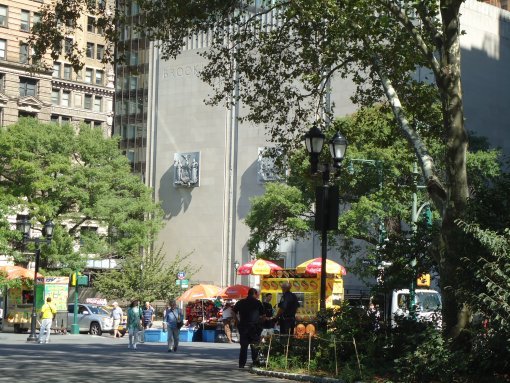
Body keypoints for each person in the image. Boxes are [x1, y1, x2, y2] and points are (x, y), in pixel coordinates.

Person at [233, 288, 265, 369]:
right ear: (254, 294)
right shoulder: (258, 303)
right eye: (257, 294)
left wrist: (237, 320)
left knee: (243, 347)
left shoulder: (241, 302)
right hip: (254, 327)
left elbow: (233, 312)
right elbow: (263, 315)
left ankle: (241, 364)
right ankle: (255, 363)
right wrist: (260, 323)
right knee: (254, 346)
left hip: (243, 326)